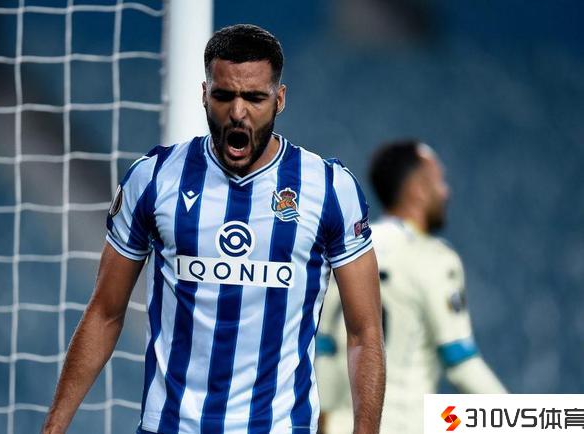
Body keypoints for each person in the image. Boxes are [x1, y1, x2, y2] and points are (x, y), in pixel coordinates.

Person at [42, 24, 384, 434]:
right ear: (204, 94)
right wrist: (53, 427)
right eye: (224, 96)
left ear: (279, 99)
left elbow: (364, 332)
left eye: (254, 97)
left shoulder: (329, 188)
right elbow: (104, 312)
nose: (238, 112)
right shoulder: (154, 179)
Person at [315, 139, 506, 434]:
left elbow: (324, 347)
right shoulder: (433, 259)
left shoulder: (346, 250)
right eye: (439, 181)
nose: (446, 191)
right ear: (417, 190)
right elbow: (461, 362)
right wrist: (524, 420)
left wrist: (324, 419)